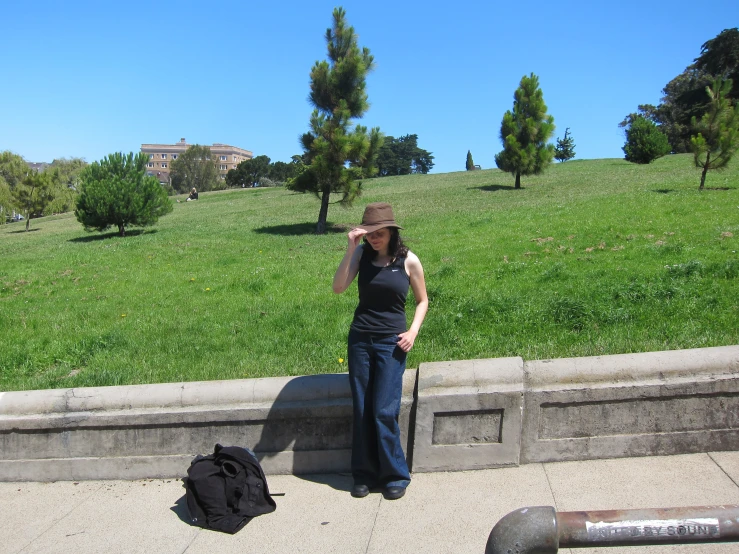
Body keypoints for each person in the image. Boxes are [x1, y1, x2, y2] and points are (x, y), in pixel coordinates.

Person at [332, 202, 428, 500]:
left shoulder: (409, 261)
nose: (374, 239)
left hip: (392, 343)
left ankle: (395, 474)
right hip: (360, 339)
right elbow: (338, 288)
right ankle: (364, 474)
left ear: (392, 233)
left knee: (384, 409)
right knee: (362, 408)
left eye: (380, 233)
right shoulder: (361, 255)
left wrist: (412, 331)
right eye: (370, 234)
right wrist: (351, 248)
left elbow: (423, 300)